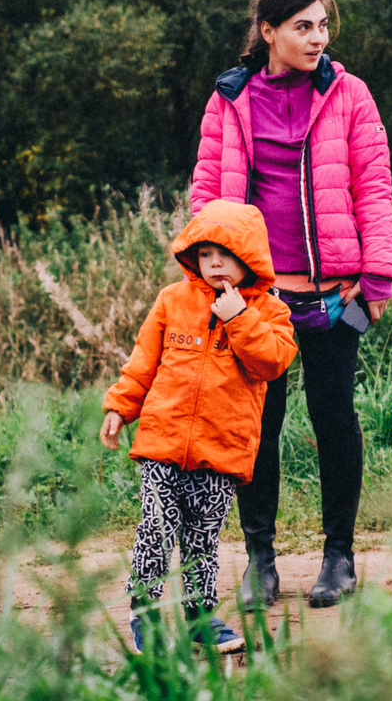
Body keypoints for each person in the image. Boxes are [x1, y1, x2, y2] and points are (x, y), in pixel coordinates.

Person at [191, 0, 392, 610]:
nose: (317, 38)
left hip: (334, 295)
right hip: (256, 300)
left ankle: (339, 558)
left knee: (334, 420)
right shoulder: (229, 100)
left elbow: (374, 186)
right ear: (269, 32)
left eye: (323, 26)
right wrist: (210, 274)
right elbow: (206, 193)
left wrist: (379, 275)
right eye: (303, 26)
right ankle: (261, 562)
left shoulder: (349, 94)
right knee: (257, 427)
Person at [99, 198, 297, 653]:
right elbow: (142, 362)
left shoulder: (269, 312)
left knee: (201, 540)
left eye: (225, 255)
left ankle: (199, 617)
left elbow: (272, 362)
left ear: (248, 259)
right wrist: (120, 406)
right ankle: (144, 614)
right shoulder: (173, 300)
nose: (214, 264)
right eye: (205, 255)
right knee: (157, 526)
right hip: (163, 443)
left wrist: (239, 318)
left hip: (221, 450)